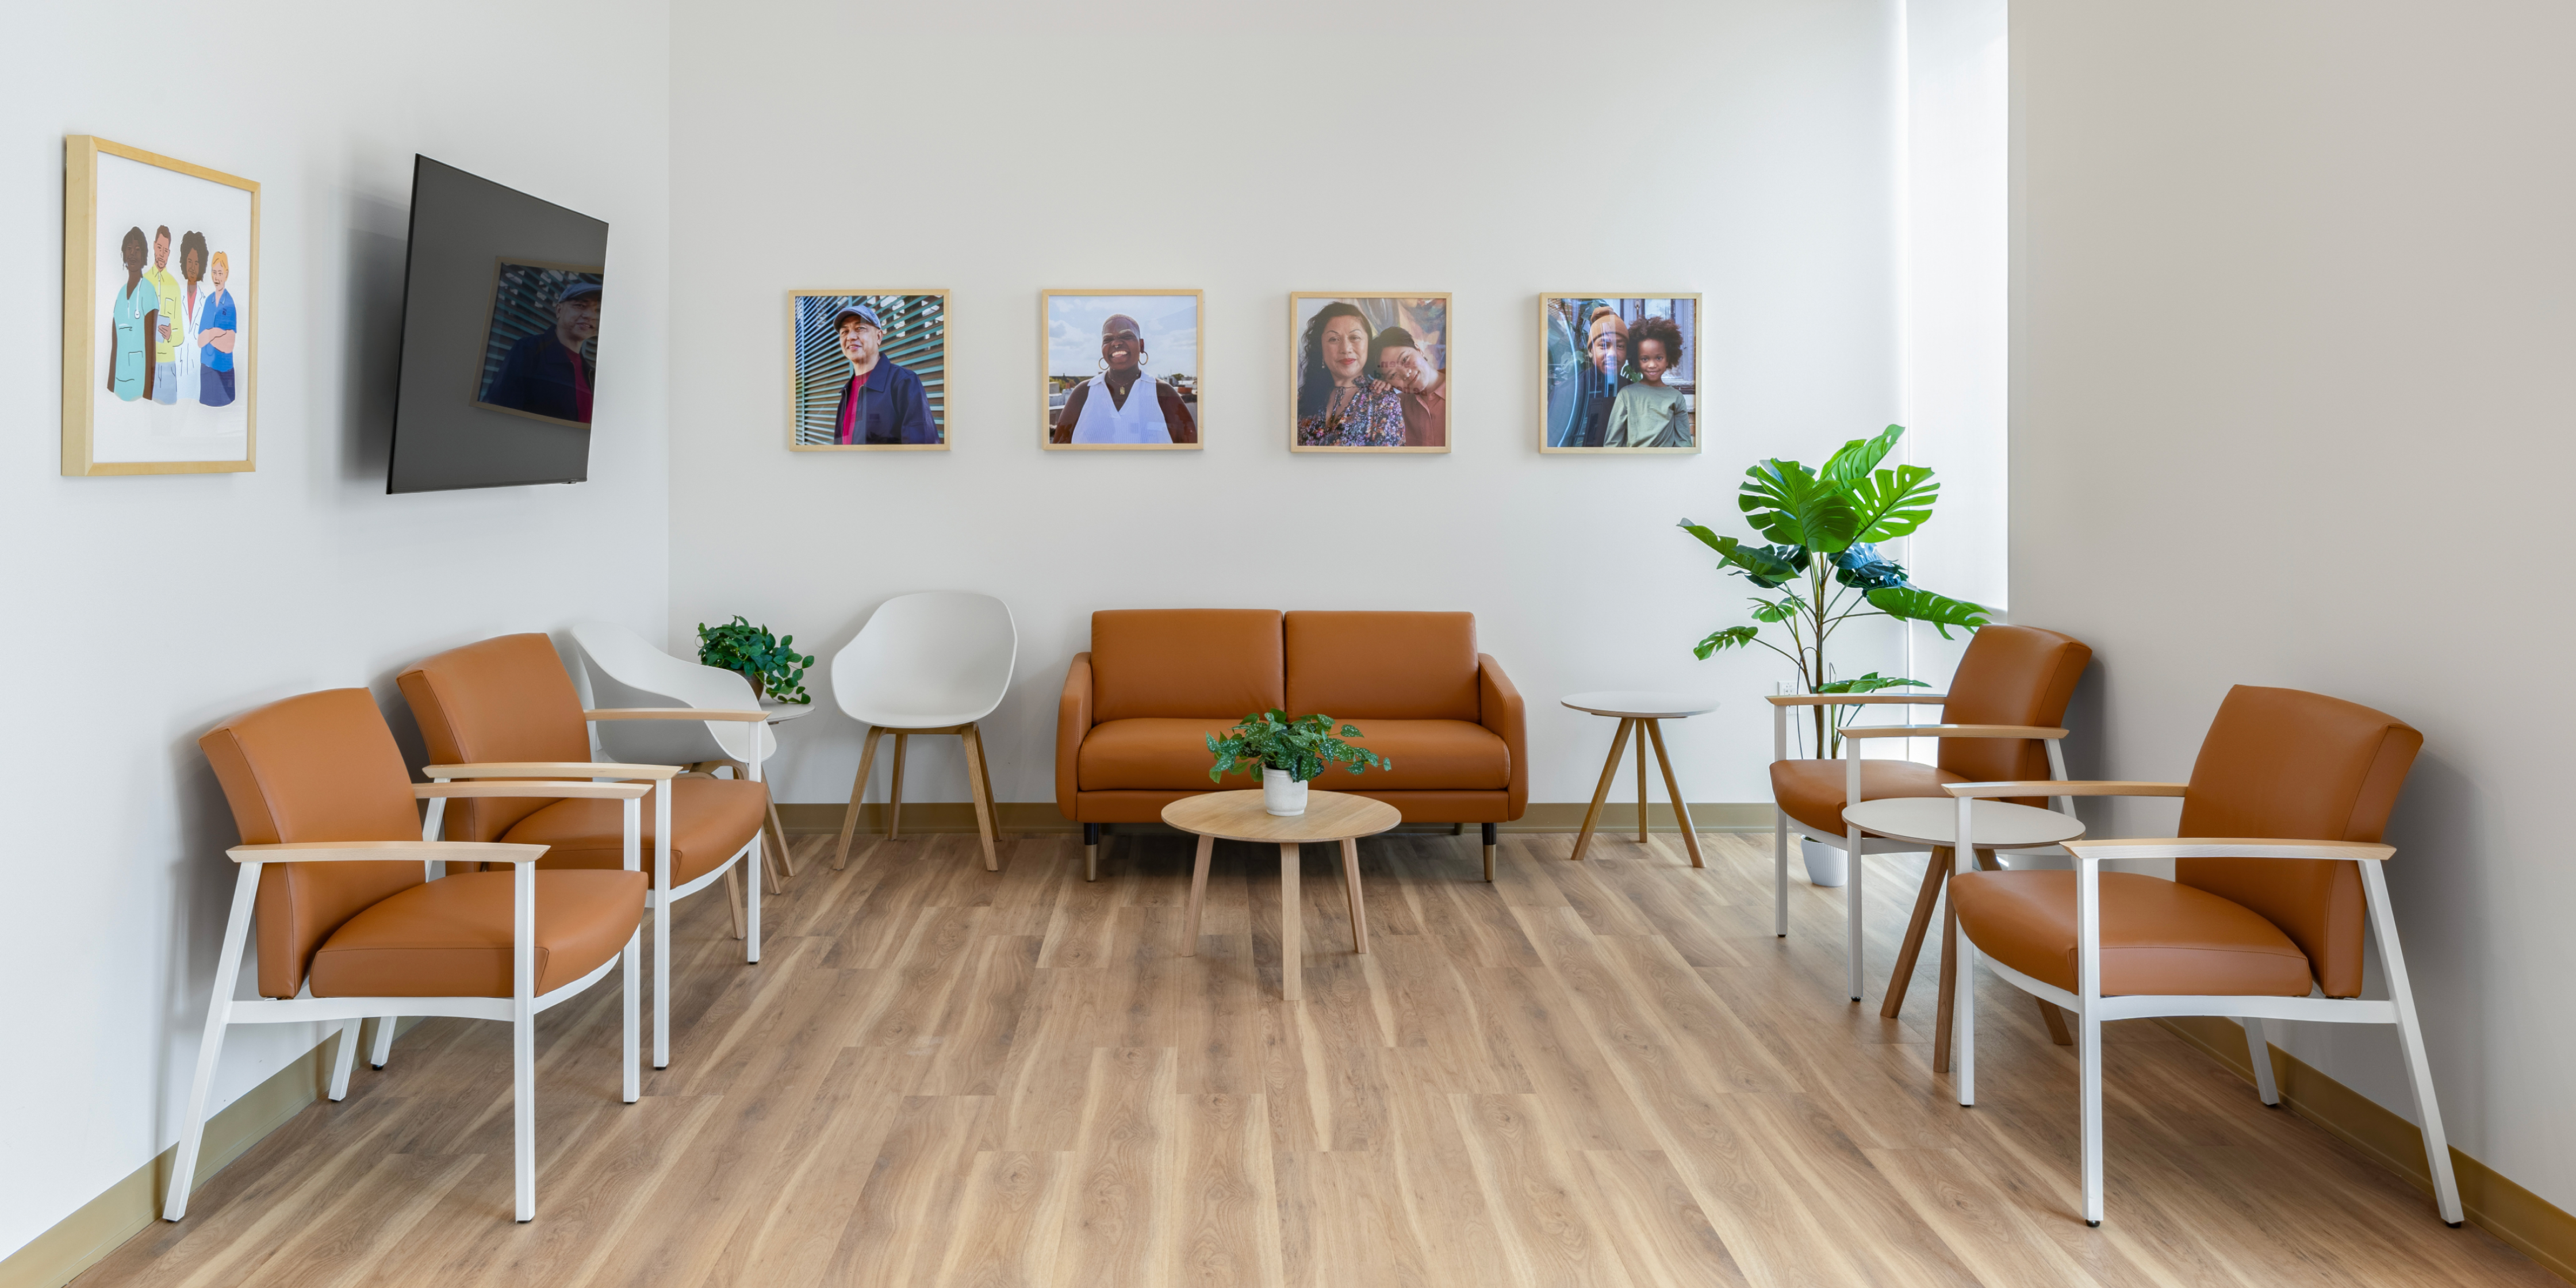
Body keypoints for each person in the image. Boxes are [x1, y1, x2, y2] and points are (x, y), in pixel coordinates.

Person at [1051, 312, 1198, 444]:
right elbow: (1059, 453)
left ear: (1141, 345)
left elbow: (1190, 455)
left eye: (1127, 336)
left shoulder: (1163, 392)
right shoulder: (1083, 392)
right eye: (1108, 339)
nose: (1116, 343)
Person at [482, 279, 601, 423]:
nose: (591, 315)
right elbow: (498, 410)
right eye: (581, 305)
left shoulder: (591, 373)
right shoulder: (529, 351)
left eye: (598, 310)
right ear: (559, 310)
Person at [1294, 301, 1404, 447]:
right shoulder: (1301, 401)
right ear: (1321, 348)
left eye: (1355, 338)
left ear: (1368, 344)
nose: (1345, 349)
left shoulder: (1384, 400)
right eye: (1334, 339)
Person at [827, 304, 937, 444]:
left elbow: (923, 452)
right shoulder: (846, 392)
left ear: (879, 337)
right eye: (844, 332)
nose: (851, 337)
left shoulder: (904, 382)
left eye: (860, 328)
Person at [1602, 315, 1691, 447]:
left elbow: (1684, 444)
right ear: (1636, 361)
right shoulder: (1626, 395)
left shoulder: (1676, 398)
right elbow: (1612, 444)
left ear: (1668, 359)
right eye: (1645, 359)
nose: (1652, 365)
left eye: (1659, 358)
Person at [1367, 325, 1446, 448]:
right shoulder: (1395, 409)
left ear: (1418, 349)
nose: (1406, 374)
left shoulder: (1463, 387)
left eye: (1405, 359)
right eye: (1393, 375)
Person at [107, 226, 157, 402]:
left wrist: (148, 394)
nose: (133, 254)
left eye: (137, 250)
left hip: (140, 387)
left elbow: (151, 347)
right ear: (123, 254)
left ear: (143, 257)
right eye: (129, 249)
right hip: (120, 384)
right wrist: (110, 386)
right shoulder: (121, 295)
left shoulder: (148, 291)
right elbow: (116, 345)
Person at [144, 225, 185, 405]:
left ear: (170, 253)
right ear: (154, 246)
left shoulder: (174, 286)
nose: (162, 254)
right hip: (146, 364)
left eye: (166, 250)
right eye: (159, 248)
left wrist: (170, 335)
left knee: (166, 424)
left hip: (168, 367)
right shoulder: (143, 282)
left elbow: (180, 335)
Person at [196, 251, 240, 408]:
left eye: (220, 273)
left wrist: (209, 335)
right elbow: (200, 341)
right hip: (207, 370)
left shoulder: (229, 303)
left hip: (224, 372)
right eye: (214, 273)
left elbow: (229, 345)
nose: (217, 277)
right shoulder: (209, 301)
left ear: (226, 274)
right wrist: (215, 333)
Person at [174, 231, 209, 403]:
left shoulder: (206, 303)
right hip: (176, 377)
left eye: (196, 263)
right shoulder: (175, 297)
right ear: (183, 263)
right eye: (189, 261)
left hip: (196, 381)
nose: (193, 267)